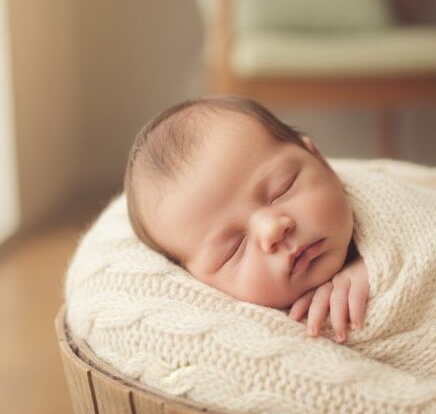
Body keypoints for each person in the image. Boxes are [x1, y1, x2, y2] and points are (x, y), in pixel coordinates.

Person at [125, 96, 369, 344]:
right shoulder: (243, 334)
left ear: (321, 162)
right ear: (197, 281)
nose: (271, 229)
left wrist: (374, 268)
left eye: (281, 190)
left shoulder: (380, 208)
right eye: (233, 249)